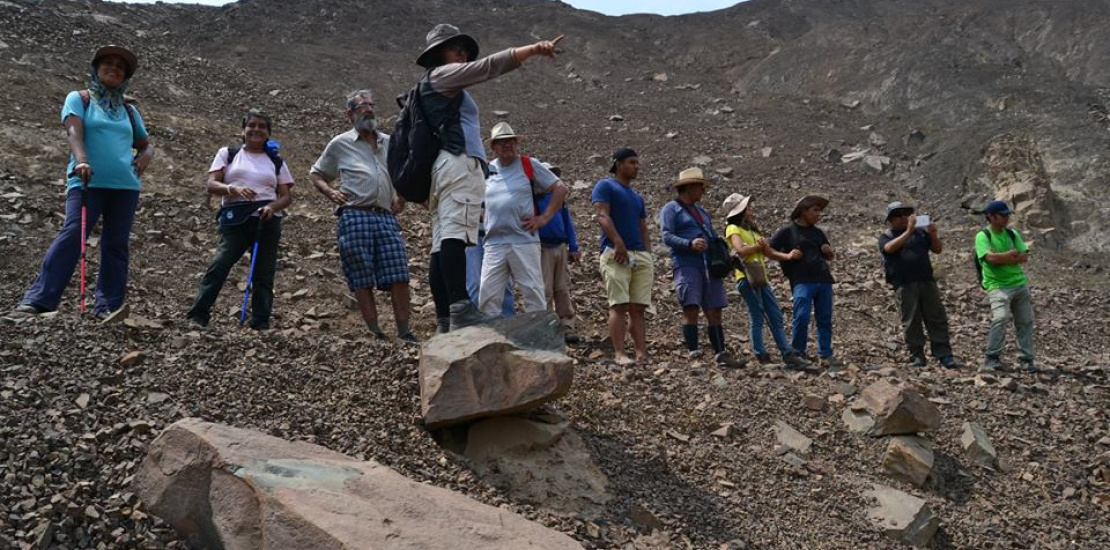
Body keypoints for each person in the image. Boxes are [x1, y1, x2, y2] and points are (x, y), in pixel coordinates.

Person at [414, 24, 564, 330]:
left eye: (464, 51)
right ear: (439, 54)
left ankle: (446, 317)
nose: (463, 55)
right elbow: (489, 67)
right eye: (457, 49)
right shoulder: (443, 76)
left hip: (443, 167)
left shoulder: (430, 85)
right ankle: (458, 309)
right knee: (456, 235)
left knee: (442, 241)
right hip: (459, 165)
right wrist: (533, 49)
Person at [11, 45, 154, 320]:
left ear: (126, 76)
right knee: (74, 233)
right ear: (96, 68)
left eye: (120, 66)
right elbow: (73, 132)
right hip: (87, 180)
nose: (114, 68)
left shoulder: (129, 111)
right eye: (108, 63)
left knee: (116, 244)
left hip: (125, 187)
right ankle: (40, 299)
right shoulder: (80, 98)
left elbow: (146, 144)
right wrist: (81, 161)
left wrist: (146, 156)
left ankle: (109, 307)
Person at [309, 90, 416, 342]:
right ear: (350, 114)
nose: (368, 110)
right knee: (361, 275)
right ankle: (375, 331)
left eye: (370, 105)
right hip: (355, 214)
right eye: (361, 107)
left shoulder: (390, 142)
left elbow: (403, 171)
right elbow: (316, 174)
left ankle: (404, 331)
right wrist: (330, 192)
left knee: (399, 272)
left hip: (385, 215)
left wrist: (401, 196)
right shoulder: (340, 143)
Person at [186, 109, 293, 330]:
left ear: (268, 133)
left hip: (267, 220)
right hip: (236, 219)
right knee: (220, 264)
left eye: (262, 126)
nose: (256, 129)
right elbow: (211, 184)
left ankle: (261, 322)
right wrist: (232, 189)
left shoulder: (276, 162)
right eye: (251, 125)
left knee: (264, 273)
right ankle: (199, 314)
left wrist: (272, 206)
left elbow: (286, 196)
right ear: (243, 131)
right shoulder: (228, 153)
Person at [477, 123, 568, 315]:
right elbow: (476, 196)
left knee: (533, 292)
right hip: (494, 242)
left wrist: (544, 218)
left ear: (517, 143)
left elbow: (559, 188)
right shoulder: (486, 169)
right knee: (487, 295)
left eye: (510, 141)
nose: (507, 145)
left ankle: (538, 338)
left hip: (523, 239)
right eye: (501, 142)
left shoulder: (528, 164)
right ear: (493, 147)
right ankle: (492, 338)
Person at [722, 193, 811, 369]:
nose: (751, 209)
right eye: (748, 207)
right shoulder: (733, 229)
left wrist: (787, 256)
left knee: (774, 315)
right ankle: (762, 352)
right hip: (747, 277)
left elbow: (768, 252)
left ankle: (785, 352)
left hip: (760, 277)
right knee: (758, 315)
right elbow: (740, 250)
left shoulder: (752, 231)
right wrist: (759, 246)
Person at [660, 168, 738, 366]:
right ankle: (694, 351)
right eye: (700, 186)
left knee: (714, 308)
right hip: (686, 263)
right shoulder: (671, 208)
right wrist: (689, 243)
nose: (703, 190)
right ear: (690, 187)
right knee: (691, 306)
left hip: (708, 264)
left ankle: (720, 351)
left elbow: (711, 236)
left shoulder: (702, 212)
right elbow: (666, 235)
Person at [878, 202, 960, 368]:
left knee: (936, 316)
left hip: (926, 280)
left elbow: (937, 249)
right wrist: (908, 231)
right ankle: (917, 355)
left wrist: (934, 235)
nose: (903, 217)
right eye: (898, 215)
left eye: (906, 214)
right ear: (890, 220)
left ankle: (943, 353)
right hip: (904, 283)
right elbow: (889, 248)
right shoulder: (887, 236)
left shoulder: (920, 234)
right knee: (911, 320)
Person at [593, 148, 653, 365]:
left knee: (638, 307)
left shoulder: (637, 197)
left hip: (639, 255)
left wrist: (647, 253)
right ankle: (619, 353)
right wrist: (617, 241)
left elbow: (642, 225)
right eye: (631, 162)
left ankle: (641, 353)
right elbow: (602, 214)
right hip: (615, 252)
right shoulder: (606, 186)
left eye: (637, 162)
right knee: (618, 304)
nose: (636, 166)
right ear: (618, 164)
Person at [769, 195, 843, 368]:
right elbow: (769, 249)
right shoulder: (788, 231)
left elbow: (829, 255)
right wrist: (787, 256)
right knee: (801, 316)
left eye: (820, 211)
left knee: (824, 318)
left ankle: (825, 353)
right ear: (803, 211)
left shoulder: (818, 233)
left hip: (823, 278)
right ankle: (798, 352)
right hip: (802, 279)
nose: (819, 214)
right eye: (815, 210)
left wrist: (829, 251)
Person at [975, 200, 1035, 372]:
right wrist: (1010, 255)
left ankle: (1026, 359)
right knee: (1000, 318)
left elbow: (1024, 256)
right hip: (998, 285)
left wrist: (1004, 258)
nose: (1007, 217)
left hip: (1019, 284)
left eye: (1007, 214)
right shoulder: (982, 236)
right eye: (1003, 215)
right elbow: (990, 258)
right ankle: (992, 357)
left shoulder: (1012, 233)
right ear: (992, 217)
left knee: (1025, 321)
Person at [536, 162, 582, 343]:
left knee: (562, 288)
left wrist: (574, 246)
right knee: (545, 289)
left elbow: (567, 222)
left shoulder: (558, 199)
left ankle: (567, 326)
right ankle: (546, 328)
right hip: (542, 246)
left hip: (560, 245)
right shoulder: (535, 198)